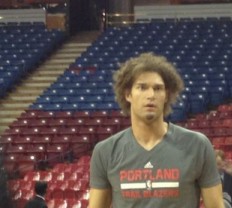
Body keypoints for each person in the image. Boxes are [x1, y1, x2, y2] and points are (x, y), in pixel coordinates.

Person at [89, 52, 224, 208]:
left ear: (166, 95)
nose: (151, 95)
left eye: (158, 88)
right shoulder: (105, 151)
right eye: (142, 87)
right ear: (128, 94)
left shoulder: (197, 145)